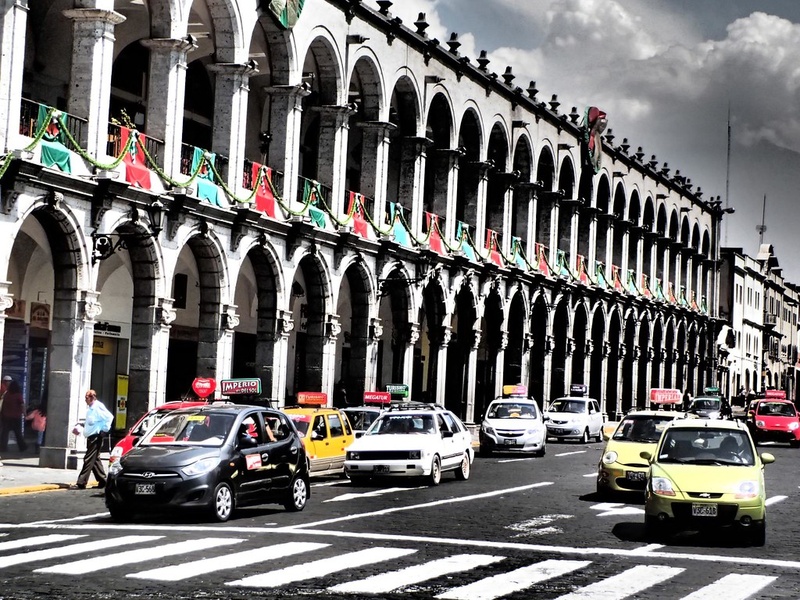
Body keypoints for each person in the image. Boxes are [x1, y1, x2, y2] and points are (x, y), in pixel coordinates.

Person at [72, 389, 113, 490]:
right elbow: (91, 422)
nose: (85, 400)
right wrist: (81, 426)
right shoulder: (91, 409)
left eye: (86, 397)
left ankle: (81, 482)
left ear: (92, 397)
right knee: (95, 460)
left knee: (88, 458)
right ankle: (103, 480)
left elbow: (109, 417)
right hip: (91, 437)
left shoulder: (98, 406)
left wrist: (104, 430)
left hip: (96, 437)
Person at [0, 378, 27, 452]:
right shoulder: (18, 395)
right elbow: (22, 405)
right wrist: (25, 414)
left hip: (6, 416)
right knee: (18, 433)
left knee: (5, 433)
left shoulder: (7, 395)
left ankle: (3, 447)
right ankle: (22, 447)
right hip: (16, 416)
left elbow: (3, 405)